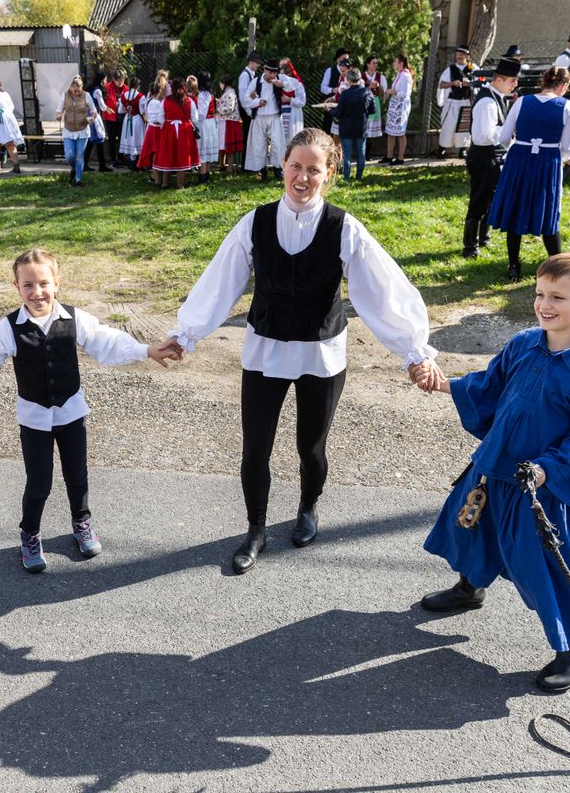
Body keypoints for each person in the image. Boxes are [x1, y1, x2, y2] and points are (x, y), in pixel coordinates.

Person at [162, 128, 442, 574]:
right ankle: (255, 529)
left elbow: (381, 290)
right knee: (255, 448)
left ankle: (308, 507)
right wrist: (187, 333)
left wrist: (414, 350)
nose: (303, 176)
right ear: (283, 167)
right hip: (265, 351)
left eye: (314, 169)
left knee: (310, 448)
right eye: (296, 166)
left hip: (321, 354)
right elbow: (221, 280)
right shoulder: (254, 223)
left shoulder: (343, 227)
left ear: (329, 173)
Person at [416, 252, 570, 694]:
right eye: (540, 294)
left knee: (549, 563)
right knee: (471, 526)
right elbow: (489, 386)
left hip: (540, 488)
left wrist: (547, 469)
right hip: (495, 466)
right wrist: (444, 383)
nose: (545, 304)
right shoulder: (525, 342)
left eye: (558, 297)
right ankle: (470, 588)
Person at [0, 248, 180, 573]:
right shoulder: (8, 329)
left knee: (77, 475)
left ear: (57, 283)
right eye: (28, 285)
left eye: (43, 283)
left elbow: (107, 341)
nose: (37, 292)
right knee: (39, 482)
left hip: (72, 413)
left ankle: (82, 523)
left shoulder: (74, 319)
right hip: (34, 419)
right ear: (17, 287)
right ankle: (30, 533)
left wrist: (146, 350)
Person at [487, 66, 570, 281]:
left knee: (516, 206)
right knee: (547, 208)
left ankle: (514, 265)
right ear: (563, 86)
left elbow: (504, 137)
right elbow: (567, 146)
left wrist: (519, 150)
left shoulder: (521, 101)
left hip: (520, 158)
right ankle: (557, 266)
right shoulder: (567, 106)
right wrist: (556, 156)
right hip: (547, 160)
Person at [463, 57, 522, 258]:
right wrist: (507, 131)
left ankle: (483, 238)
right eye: (512, 80)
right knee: (479, 200)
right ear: (499, 80)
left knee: (490, 199)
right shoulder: (488, 101)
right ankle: (470, 246)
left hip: (493, 157)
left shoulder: (497, 97)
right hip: (483, 156)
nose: (515, 84)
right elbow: (483, 136)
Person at [327, 68, 374, 180]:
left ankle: (347, 177)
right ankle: (359, 177)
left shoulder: (345, 94)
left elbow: (338, 113)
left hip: (346, 128)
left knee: (347, 154)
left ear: (348, 80)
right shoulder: (367, 92)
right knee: (361, 153)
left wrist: (329, 110)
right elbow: (372, 110)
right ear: (360, 78)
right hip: (361, 127)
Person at [244, 59, 287, 182]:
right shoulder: (256, 82)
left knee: (278, 145)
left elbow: (294, 85)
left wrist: (282, 84)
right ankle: (263, 171)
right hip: (259, 118)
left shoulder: (279, 80)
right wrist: (258, 102)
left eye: (275, 73)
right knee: (259, 145)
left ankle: (278, 169)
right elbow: (246, 99)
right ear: (265, 71)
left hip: (274, 117)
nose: (273, 76)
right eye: (270, 73)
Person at [153, 77, 199, 190]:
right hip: (184, 131)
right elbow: (195, 118)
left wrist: (168, 125)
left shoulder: (166, 100)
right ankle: (180, 184)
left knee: (168, 156)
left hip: (169, 130)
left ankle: (165, 183)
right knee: (182, 157)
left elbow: (160, 118)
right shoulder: (189, 101)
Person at [56, 75, 97, 187]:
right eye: (75, 91)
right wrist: (59, 116)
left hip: (82, 130)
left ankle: (78, 180)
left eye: (79, 91)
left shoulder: (86, 95)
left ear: (82, 88)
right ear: (70, 88)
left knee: (79, 156)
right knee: (69, 156)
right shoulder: (64, 96)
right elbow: (59, 110)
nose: (77, 93)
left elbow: (94, 111)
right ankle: (76, 168)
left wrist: (92, 118)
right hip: (68, 130)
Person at [436, 45, 475, 158]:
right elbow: (442, 84)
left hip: (465, 102)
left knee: (464, 126)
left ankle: (462, 149)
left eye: (462, 54)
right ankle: (442, 148)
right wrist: (452, 83)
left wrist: (467, 84)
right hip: (452, 101)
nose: (459, 56)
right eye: (458, 54)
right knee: (448, 125)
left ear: (467, 56)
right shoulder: (451, 69)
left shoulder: (473, 68)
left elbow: (479, 83)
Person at [382, 55, 415, 165]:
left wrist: (393, 92)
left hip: (401, 106)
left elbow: (406, 93)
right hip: (395, 104)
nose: (393, 63)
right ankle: (389, 156)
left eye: (395, 61)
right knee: (390, 131)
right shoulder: (399, 74)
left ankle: (400, 157)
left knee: (400, 132)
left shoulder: (406, 76)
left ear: (401, 63)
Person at [82, 72, 113, 175]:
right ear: (101, 80)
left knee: (91, 141)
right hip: (94, 117)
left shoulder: (90, 89)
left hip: (88, 116)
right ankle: (102, 166)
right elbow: (102, 105)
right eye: (105, 79)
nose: (106, 81)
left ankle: (85, 164)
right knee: (99, 140)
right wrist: (109, 109)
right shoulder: (97, 91)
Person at [136, 82, 166, 183]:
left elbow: (146, 114)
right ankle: (156, 177)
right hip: (157, 129)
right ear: (159, 91)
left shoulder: (148, 101)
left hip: (150, 128)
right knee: (156, 153)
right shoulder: (158, 103)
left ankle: (155, 176)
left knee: (154, 153)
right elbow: (160, 118)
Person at [194, 72, 220, 184]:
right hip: (211, 123)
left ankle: (203, 176)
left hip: (204, 123)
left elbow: (201, 114)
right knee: (208, 150)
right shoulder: (209, 93)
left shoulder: (202, 95)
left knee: (203, 150)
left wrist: (195, 121)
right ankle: (207, 174)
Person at [319, 49, 351, 140]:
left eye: (347, 59)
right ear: (338, 59)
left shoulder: (351, 73)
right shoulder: (330, 71)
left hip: (345, 108)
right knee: (328, 130)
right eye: (343, 59)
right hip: (332, 106)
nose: (345, 61)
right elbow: (323, 88)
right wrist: (333, 90)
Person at [216, 74, 244, 174]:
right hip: (226, 121)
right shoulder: (227, 92)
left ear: (224, 83)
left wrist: (218, 109)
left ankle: (230, 168)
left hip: (229, 122)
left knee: (229, 146)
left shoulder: (230, 93)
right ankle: (223, 165)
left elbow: (230, 108)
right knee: (225, 145)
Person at [237, 51, 263, 153]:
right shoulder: (245, 75)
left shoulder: (250, 75)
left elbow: (250, 94)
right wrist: (249, 112)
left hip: (249, 109)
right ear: (251, 62)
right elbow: (243, 97)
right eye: (257, 63)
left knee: (250, 138)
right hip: (246, 110)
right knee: (247, 137)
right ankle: (245, 166)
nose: (258, 65)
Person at [360, 57, 388, 154]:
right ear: (368, 64)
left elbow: (382, 93)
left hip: (375, 101)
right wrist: (368, 87)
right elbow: (357, 90)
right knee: (364, 126)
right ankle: (362, 152)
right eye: (373, 63)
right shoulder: (361, 76)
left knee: (371, 129)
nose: (375, 65)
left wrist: (378, 86)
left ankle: (369, 152)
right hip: (363, 102)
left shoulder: (380, 77)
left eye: (376, 63)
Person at [118, 77, 145, 168]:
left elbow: (120, 111)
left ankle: (131, 161)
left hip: (127, 119)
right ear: (138, 86)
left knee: (129, 138)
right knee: (136, 139)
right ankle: (136, 162)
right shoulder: (140, 96)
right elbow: (142, 111)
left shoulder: (124, 95)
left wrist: (127, 110)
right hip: (136, 119)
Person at [278, 59, 307, 143]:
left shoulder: (298, 84)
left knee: (292, 138)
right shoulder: (279, 84)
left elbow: (302, 101)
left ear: (289, 74)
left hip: (293, 113)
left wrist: (289, 99)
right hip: (282, 113)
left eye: (283, 75)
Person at [103, 70, 128, 166]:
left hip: (122, 118)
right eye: (118, 81)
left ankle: (121, 159)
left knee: (122, 139)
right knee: (112, 139)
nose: (121, 83)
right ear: (114, 79)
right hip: (110, 118)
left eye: (122, 80)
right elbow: (103, 102)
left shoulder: (127, 88)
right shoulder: (107, 87)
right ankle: (113, 159)